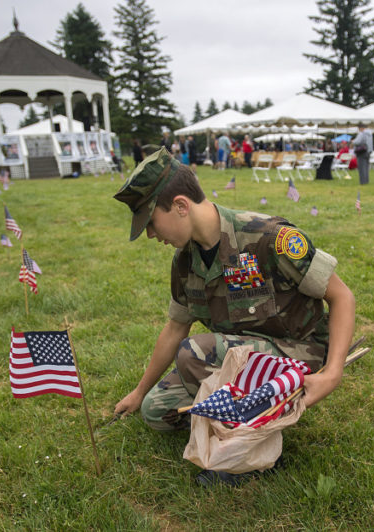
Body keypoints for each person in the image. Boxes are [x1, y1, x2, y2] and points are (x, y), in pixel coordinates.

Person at [112, 148, 356, 484]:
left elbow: (342, 296)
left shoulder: (270, 237)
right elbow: (174, 329)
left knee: (195, 352)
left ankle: (250, 452)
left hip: (297, 355)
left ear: (181, 206)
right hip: (237, 362)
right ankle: (243, 414)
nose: (152, 235)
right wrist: (139, 393)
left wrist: (332, 373)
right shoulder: (185, 263)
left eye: (151, 222)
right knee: (157, 411)